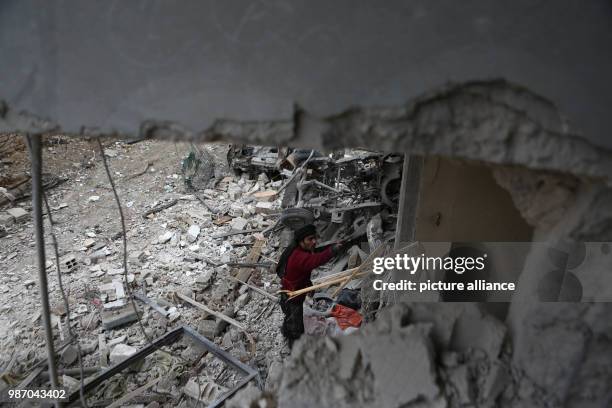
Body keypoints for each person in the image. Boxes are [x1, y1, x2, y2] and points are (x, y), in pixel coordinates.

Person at [276, 224, 342, 346]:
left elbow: (304, 268)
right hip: (292, 297)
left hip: (292, 292)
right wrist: (333, 250)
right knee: (296, 329)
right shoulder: (299, 256)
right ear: (301, 241)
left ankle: (287, 332)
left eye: (314, 238)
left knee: (291, 319)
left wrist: (307, 284)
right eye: (310, 239)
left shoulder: (297, 249)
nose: (314, 241)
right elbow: (316, 260)